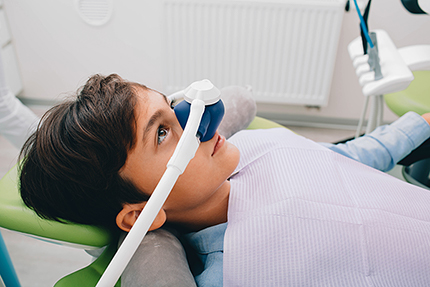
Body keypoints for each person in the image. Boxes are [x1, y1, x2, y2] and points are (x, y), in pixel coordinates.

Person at [19, 74, 430, 286]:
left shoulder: (257, 144)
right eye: (162, 132)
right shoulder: (234, 273)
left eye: (175, 110)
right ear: (143, 213)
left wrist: (419, 125)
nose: (196, 125)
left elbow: (344, 160)